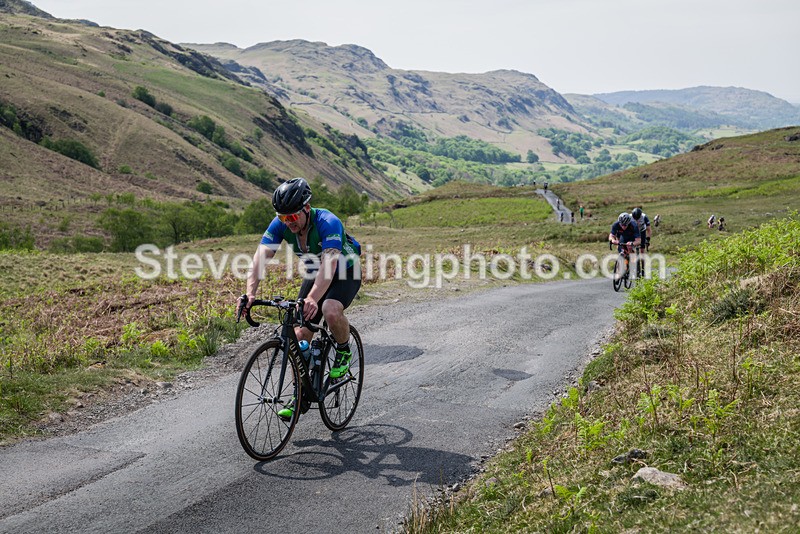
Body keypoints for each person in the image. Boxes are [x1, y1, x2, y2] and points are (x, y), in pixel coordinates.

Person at [239, 177, 362, 419]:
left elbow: (329, 267)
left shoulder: (328, 222)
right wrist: (250, 293)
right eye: (283, 218)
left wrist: (313, 298)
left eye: (293, 217)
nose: (289, 222)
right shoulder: (281, 224)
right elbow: (260, 259)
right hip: (316, 272)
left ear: (307, 208)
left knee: (329, 309)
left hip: (345, 271)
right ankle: (300, 394)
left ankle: (344, 350)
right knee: (297, 336)